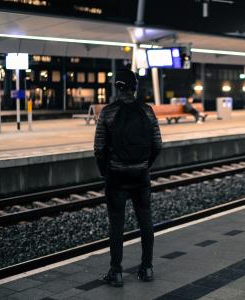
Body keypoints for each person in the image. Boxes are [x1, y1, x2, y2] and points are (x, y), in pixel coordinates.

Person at [94, 69, 162, 287]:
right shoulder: (148, 111)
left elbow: (99, 148)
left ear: (117, 87)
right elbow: (158, 144)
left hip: (116, 176)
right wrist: (144, 165)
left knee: (116, 225)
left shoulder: (108, 112)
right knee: (146, 222)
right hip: (140, 175)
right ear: (135, 87)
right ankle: (147, 268)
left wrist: (106, 171)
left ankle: (116, 272)